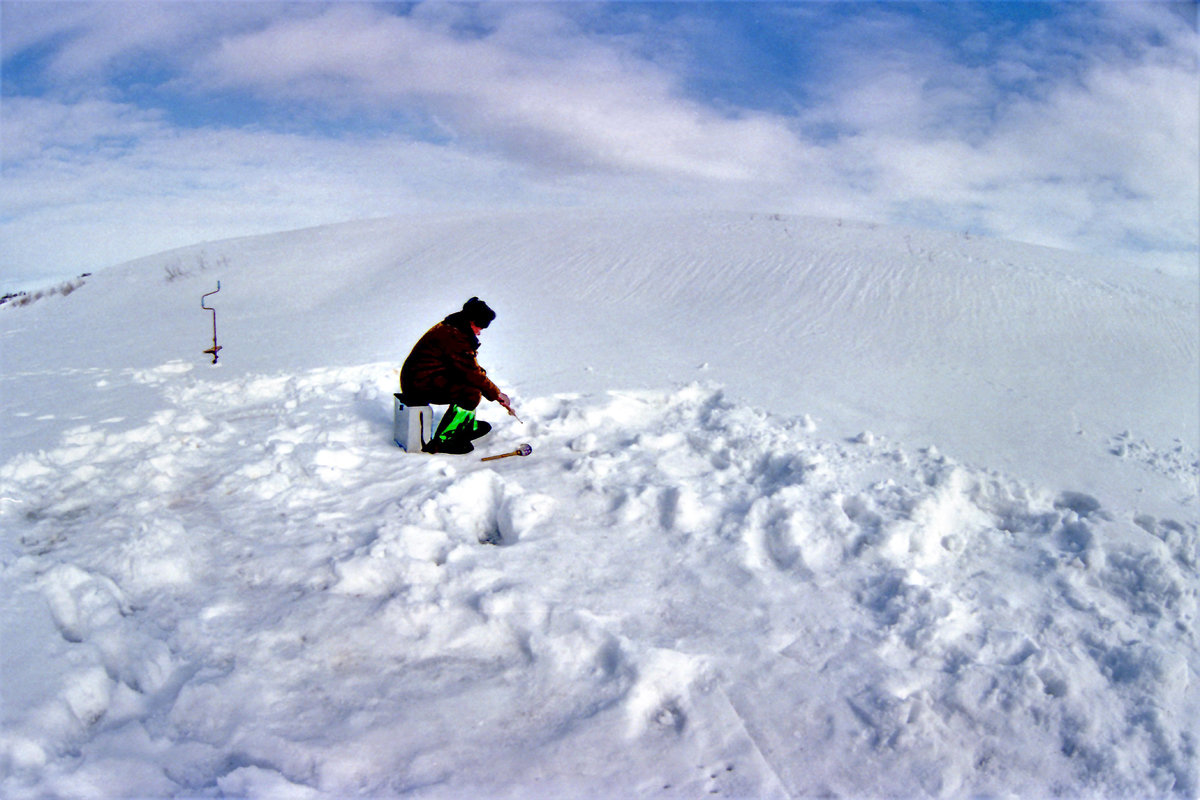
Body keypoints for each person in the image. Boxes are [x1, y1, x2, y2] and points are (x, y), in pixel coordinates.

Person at [400, 297, 516, 454]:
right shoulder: (455, 336)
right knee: (470, 392)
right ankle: (447, 440)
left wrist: (489, 388)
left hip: (425, 377)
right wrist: (496, 394)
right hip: (420, 383)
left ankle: (464, 426)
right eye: (479, 326)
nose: (479, 332)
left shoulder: (452, 327)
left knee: (475, 381)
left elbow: (468, 367)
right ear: (471, 321)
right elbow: (470, 372)